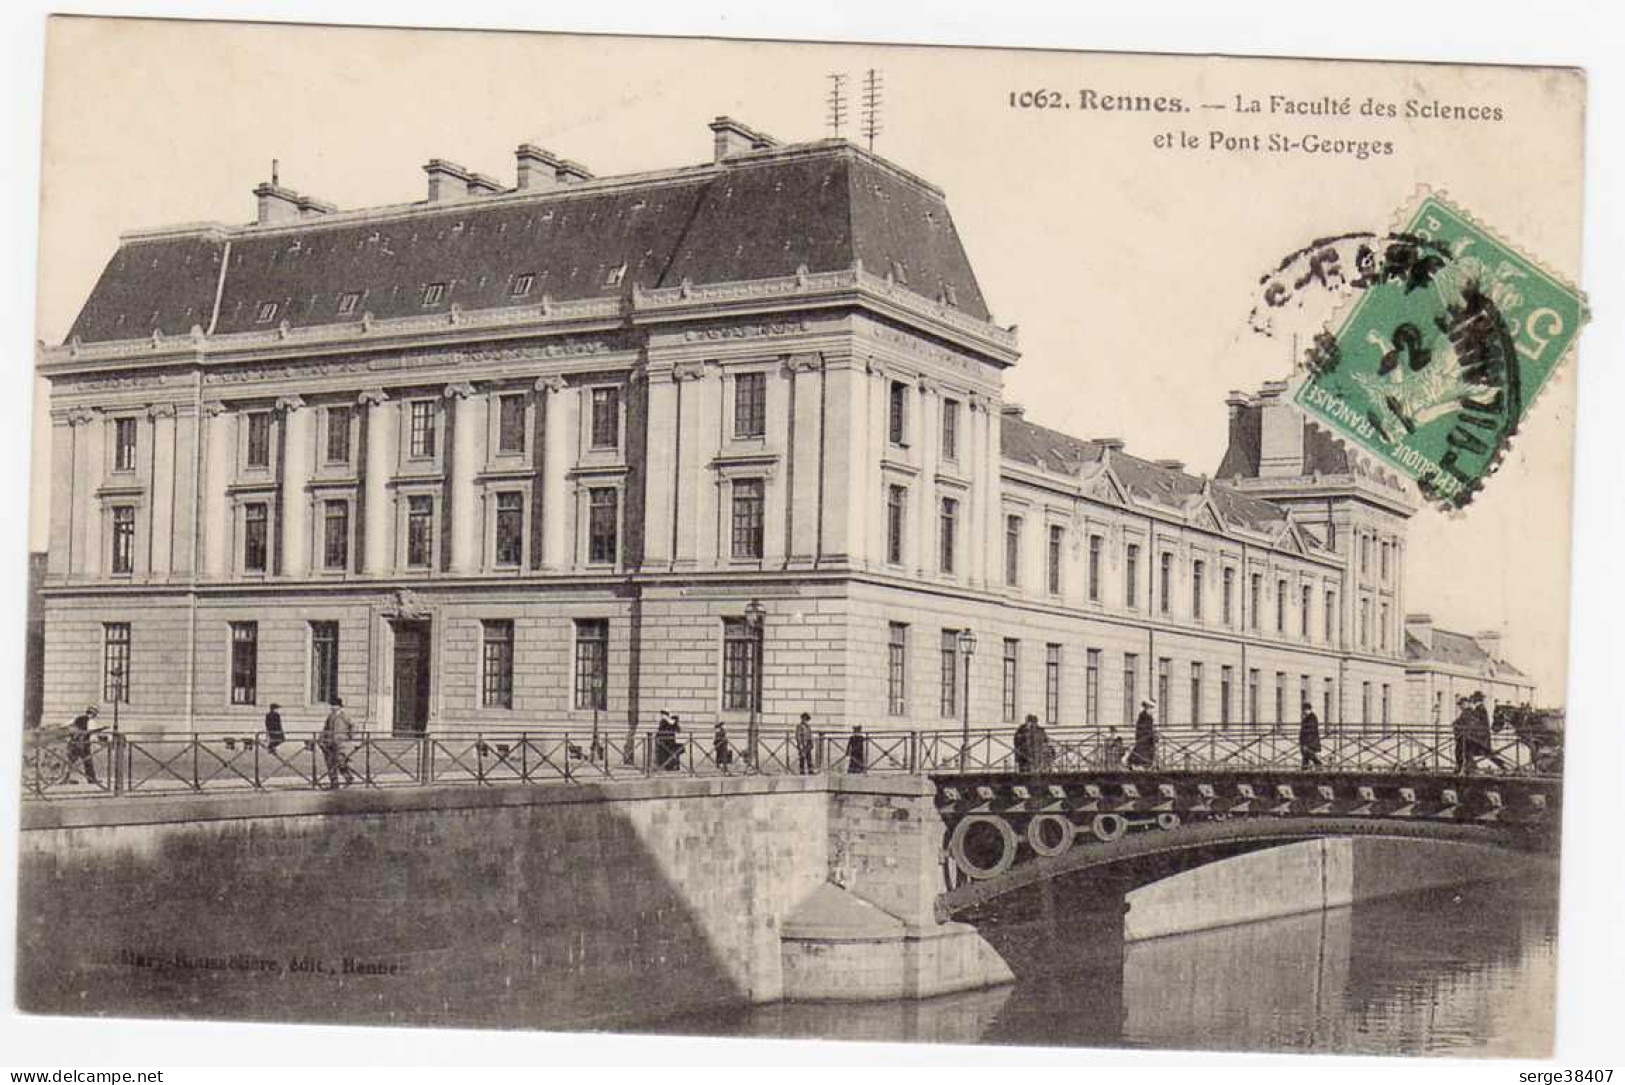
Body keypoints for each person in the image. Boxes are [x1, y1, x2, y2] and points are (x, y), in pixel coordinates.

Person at [319, 696, 356, 789]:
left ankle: (348, 777)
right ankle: (334, 782)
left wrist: (350, 737)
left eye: (334, 706)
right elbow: (325, 728)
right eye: (332, 706)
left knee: (341, 761)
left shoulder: (345, 716)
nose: (332, 708)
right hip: (329, 742)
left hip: (342, 743)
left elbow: (353, 726)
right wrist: (321, 739)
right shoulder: (330, 717)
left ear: (339, 706)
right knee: (330, 763)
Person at [66, 705, 104, 785]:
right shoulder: (90, 721)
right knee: (88, 763)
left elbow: (68, 726)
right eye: (95, 714)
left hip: (73, 743)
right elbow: (91, 732)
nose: (95, 716)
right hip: (83, 745)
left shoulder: (77, 718)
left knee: (70, 762)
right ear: (93, 714)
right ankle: (92, 780)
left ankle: (64, 778)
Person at [1128, 699, 1157, 769]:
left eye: (1152, 708)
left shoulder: (1147, 716)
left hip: (1147, 739)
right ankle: (1138, 765)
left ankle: (1145, 766)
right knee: (1142, 754)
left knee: (1145, 754)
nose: (1152, 710)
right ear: (1147, 708)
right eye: (1151, 708)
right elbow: (1142, 727)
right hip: (1144, 739)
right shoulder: (1144, 716)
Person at [1451, 695, 1474, 774]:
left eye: (1462, 704)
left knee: (1460, 752)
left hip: (1465, 737)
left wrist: (1456, 724)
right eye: (1460, 705)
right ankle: (1461, 767)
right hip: (1462, 736)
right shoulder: (1465, 712)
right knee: (1459, 751)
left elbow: (1463, 722)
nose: (1460, 706)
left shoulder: (1468, 712)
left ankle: (1462, 767)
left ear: (1466, 703)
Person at [1298, 702, 1323, 769]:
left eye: (1305, 710)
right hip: (1308, 741)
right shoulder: (1308, 717)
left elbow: (1310, 729)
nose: (1304, 711)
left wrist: (1303, 720)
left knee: (1306, 752)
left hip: (1311, 741)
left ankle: (1318, 763)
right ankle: (1305, 770)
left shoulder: (1312, 717)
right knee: (1305, 756)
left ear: (1308, 709)